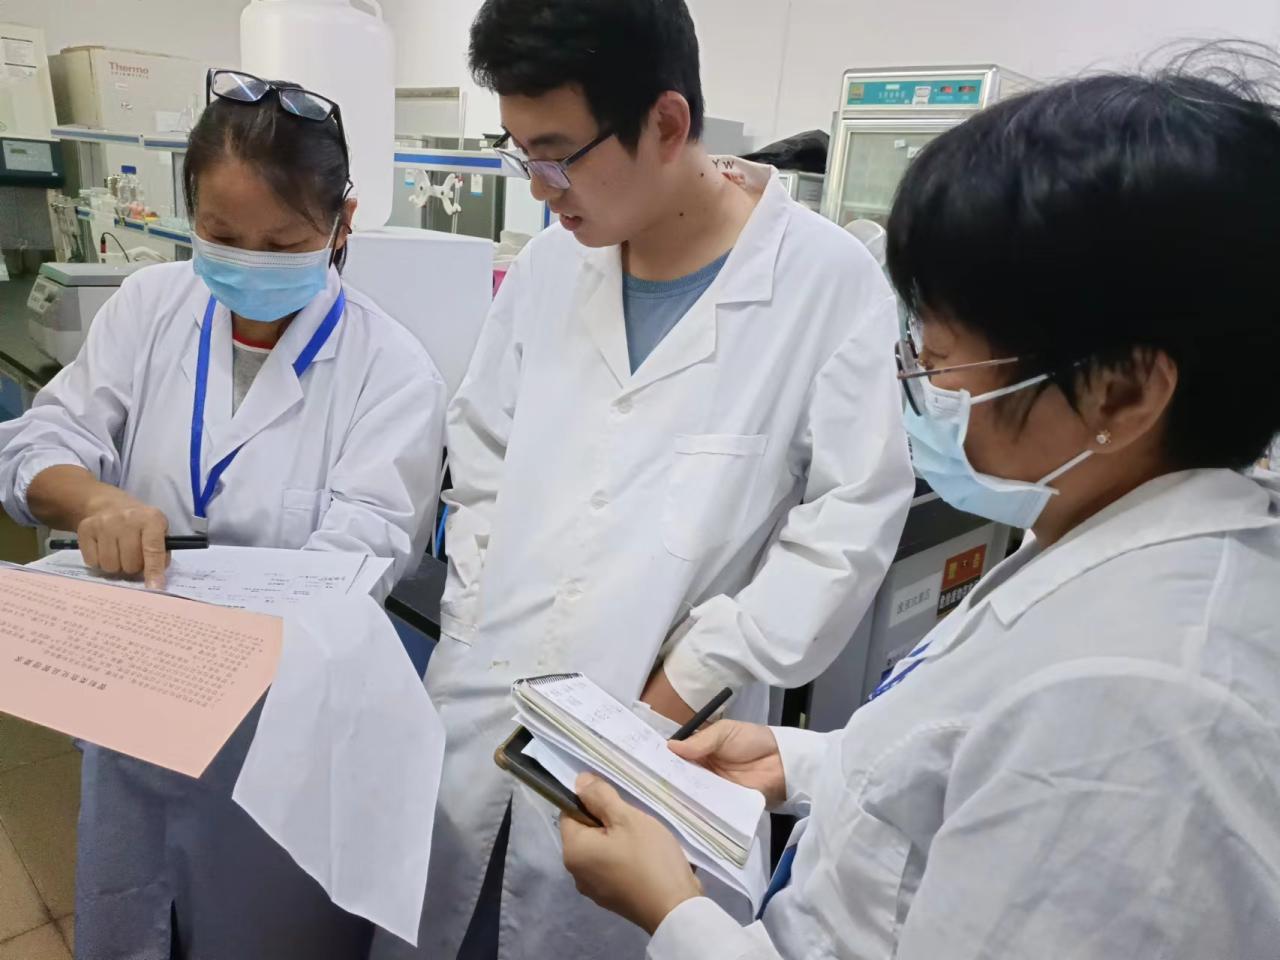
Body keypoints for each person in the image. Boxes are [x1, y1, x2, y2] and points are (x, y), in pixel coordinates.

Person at [559, 59, 1280, 958]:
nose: (918, 387)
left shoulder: (1141, 711)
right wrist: (807, 764)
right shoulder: (1114, 546)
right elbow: (977, 781)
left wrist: (674, 913)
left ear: (1124, 393)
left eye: (943, 362)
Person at [370, 2, 914, 958]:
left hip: (663, 752)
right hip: (480, 714)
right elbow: (484, 462)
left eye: (558, 156)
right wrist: (473, 620)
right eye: (520, 155)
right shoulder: (549, 267)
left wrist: (680, 685)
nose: (540, 189)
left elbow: (848, 524)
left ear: (666, 123)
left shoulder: (825, 284)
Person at [0, 69, 445, 959]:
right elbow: (39, 443)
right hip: (137, 696)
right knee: (131, 912)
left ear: (342, 225)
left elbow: (362, 551)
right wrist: (93, 498)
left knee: (266, 930)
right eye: (221, 234)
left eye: (282, 242)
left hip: (283, 730)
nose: (247, 261)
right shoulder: (150, 308)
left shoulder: (393, 371)